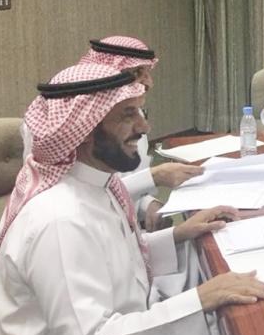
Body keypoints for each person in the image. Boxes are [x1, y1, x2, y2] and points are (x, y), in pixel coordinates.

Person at [0, 63, 264, 335]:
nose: (144, 127)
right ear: (83, 130)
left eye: (140, 112)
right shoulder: (59, 219)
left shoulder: (96, 184)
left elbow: (110, 259)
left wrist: (178, 233)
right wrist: (199, 300)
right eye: (127, 115)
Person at [20, 35, 201, 231]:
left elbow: (121, 177)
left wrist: (147, 204)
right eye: (137, 72)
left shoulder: (132, 119)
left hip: (120, 224)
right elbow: (90, 189)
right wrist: (155, 176)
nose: (149, 82)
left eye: (148, 72)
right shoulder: (58, 126)